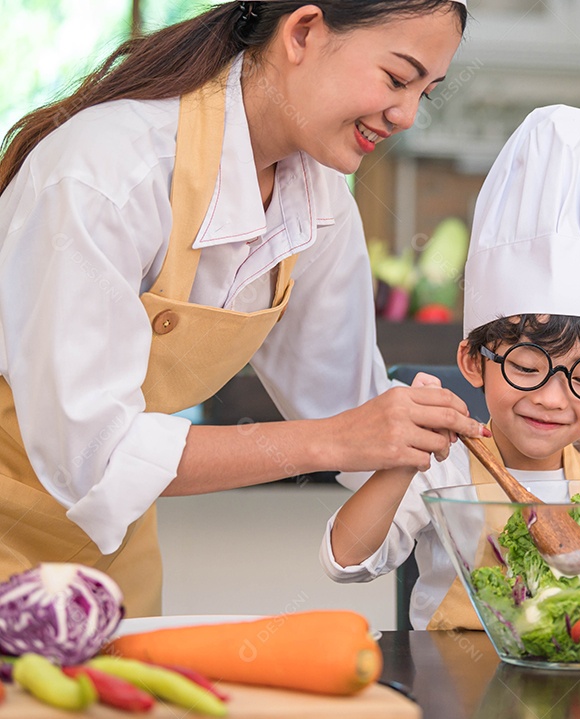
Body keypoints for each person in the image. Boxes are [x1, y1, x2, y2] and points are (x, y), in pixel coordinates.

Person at [0, 0, 486, 618]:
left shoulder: (321, 206)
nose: (407, 115)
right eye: (396, 78)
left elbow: (354, 412)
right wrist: (331, 442)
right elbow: (95, 456)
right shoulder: (109, 171)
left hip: (109, 547)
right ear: (303, 31)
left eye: (427, 92)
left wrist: (503, 503)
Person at [322, 104, 580, 631]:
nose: (552, 398)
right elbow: (346, 563)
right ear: (475, 361)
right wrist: (403, 458)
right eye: (527, 366)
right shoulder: (442, 471)